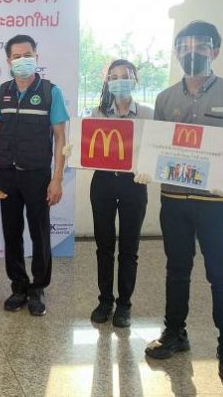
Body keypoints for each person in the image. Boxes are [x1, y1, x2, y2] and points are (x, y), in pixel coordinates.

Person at [140, 21, 223, 382]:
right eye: (185, 46)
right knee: (177, 269)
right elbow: (160, 145)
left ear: (215, 51)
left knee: (222, 276)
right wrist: (147, 166)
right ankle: (175, 332)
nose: (193, 52)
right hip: (174, 199)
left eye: (201, 46)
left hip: (217, 202)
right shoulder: (165, 99)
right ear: (177, 52)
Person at [0, 34, 69, 315]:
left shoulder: (50, 92)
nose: (23, 60)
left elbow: (60, 137)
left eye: (28, 55)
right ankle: (19, 287)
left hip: (38, 175)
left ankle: (38, 289)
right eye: (17, 56)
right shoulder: (3, 92)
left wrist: (57, 178)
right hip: (7, 174)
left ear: (36, 57)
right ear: (8, 61)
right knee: (11, 232)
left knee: (39, 233)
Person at [85, 60, 152, 328]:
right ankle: (105, 301)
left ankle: (124, 305)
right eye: (114, 76)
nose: (120, 80)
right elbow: (88, 147)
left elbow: (156, 150)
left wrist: (150, 169)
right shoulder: (97, 113)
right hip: (102, 183)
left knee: (129, 247)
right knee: (104, 246)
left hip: (134, 184)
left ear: (135, 79)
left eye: (125, 75)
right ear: (107, 82)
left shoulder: (148, 114)